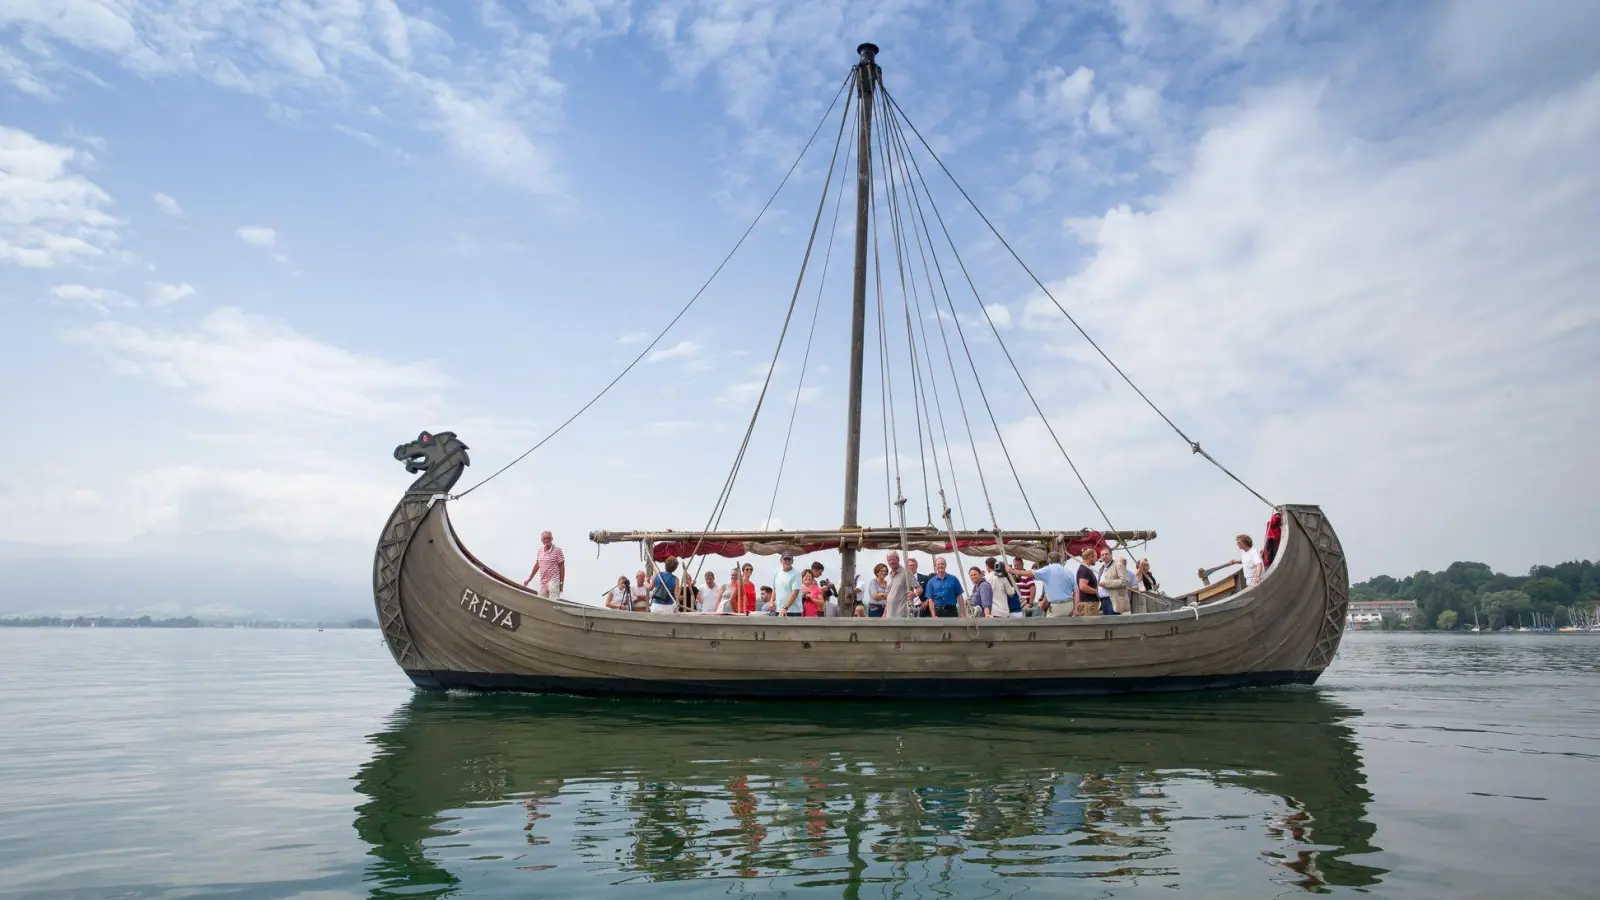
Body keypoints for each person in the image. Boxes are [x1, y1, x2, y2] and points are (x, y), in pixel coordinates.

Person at [522, 530, 566, 598]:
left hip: (553, 581)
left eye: (548, 538)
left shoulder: (557, 550)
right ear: (541, 540)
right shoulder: (540, 550)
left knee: (553, 602)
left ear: (552, 539)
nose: (546, 540)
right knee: (541, 601)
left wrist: (561, 583)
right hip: (543, 582)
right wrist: (529, 580)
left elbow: (562, 568)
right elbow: (537, 565)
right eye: (544, 538)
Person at [1033, 552, 1074, 617]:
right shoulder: (1066, 573)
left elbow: (1045, 600)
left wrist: (1038, 610)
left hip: (1053, 607)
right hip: (1067, 605)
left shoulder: (1047, 576)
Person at [884, 551, 913, 619]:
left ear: (898, 559)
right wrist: (885, 613)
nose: (891, 562)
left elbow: (919, 588)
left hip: (902, 614)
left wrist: (914, 594)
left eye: (893, 559)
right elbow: (888, 597)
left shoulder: (906, 572)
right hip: (889, 615)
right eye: (889, 560)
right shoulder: (888, 577)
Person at [1074, 549, 1102, 616]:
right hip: (1089, 606)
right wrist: (1098, 592)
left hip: (1089, 605)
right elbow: (1083, 587)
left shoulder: (1086, 569)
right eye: (1095, 556)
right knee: (1091, 626)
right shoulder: (1084, 570)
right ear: (1091, 557)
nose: (1097, 559)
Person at [1096, 548, 1116, 615]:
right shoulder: (1102, 568)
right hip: (1102, 601)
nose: (1105, 556)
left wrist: (1107, 584)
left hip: (1112, 600)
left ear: (1111, 555)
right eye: (1103, 554)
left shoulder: (1117, 566)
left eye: (1107, 554)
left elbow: (1124, 582)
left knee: (1112, 622)